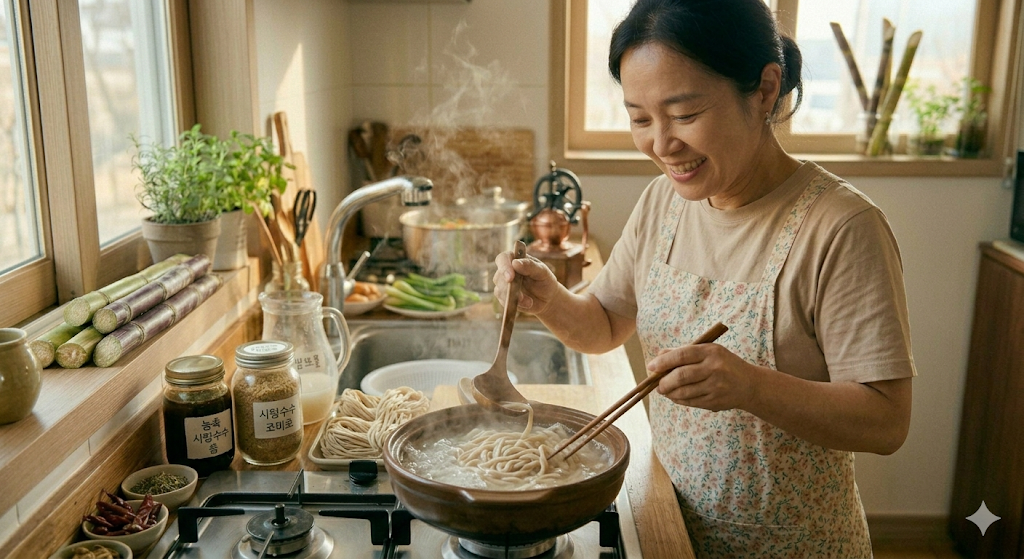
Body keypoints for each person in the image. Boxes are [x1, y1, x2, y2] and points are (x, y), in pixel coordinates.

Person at [493, 0, 915, 557]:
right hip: (670, 524)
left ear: (765, 90)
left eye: (685, 114)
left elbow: (886, 421)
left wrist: (750, 386)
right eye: (640, 118)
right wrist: (548, 297)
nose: (662, 144)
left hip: (794, 546)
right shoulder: (664, 203)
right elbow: (602, 324)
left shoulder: (841, 227)